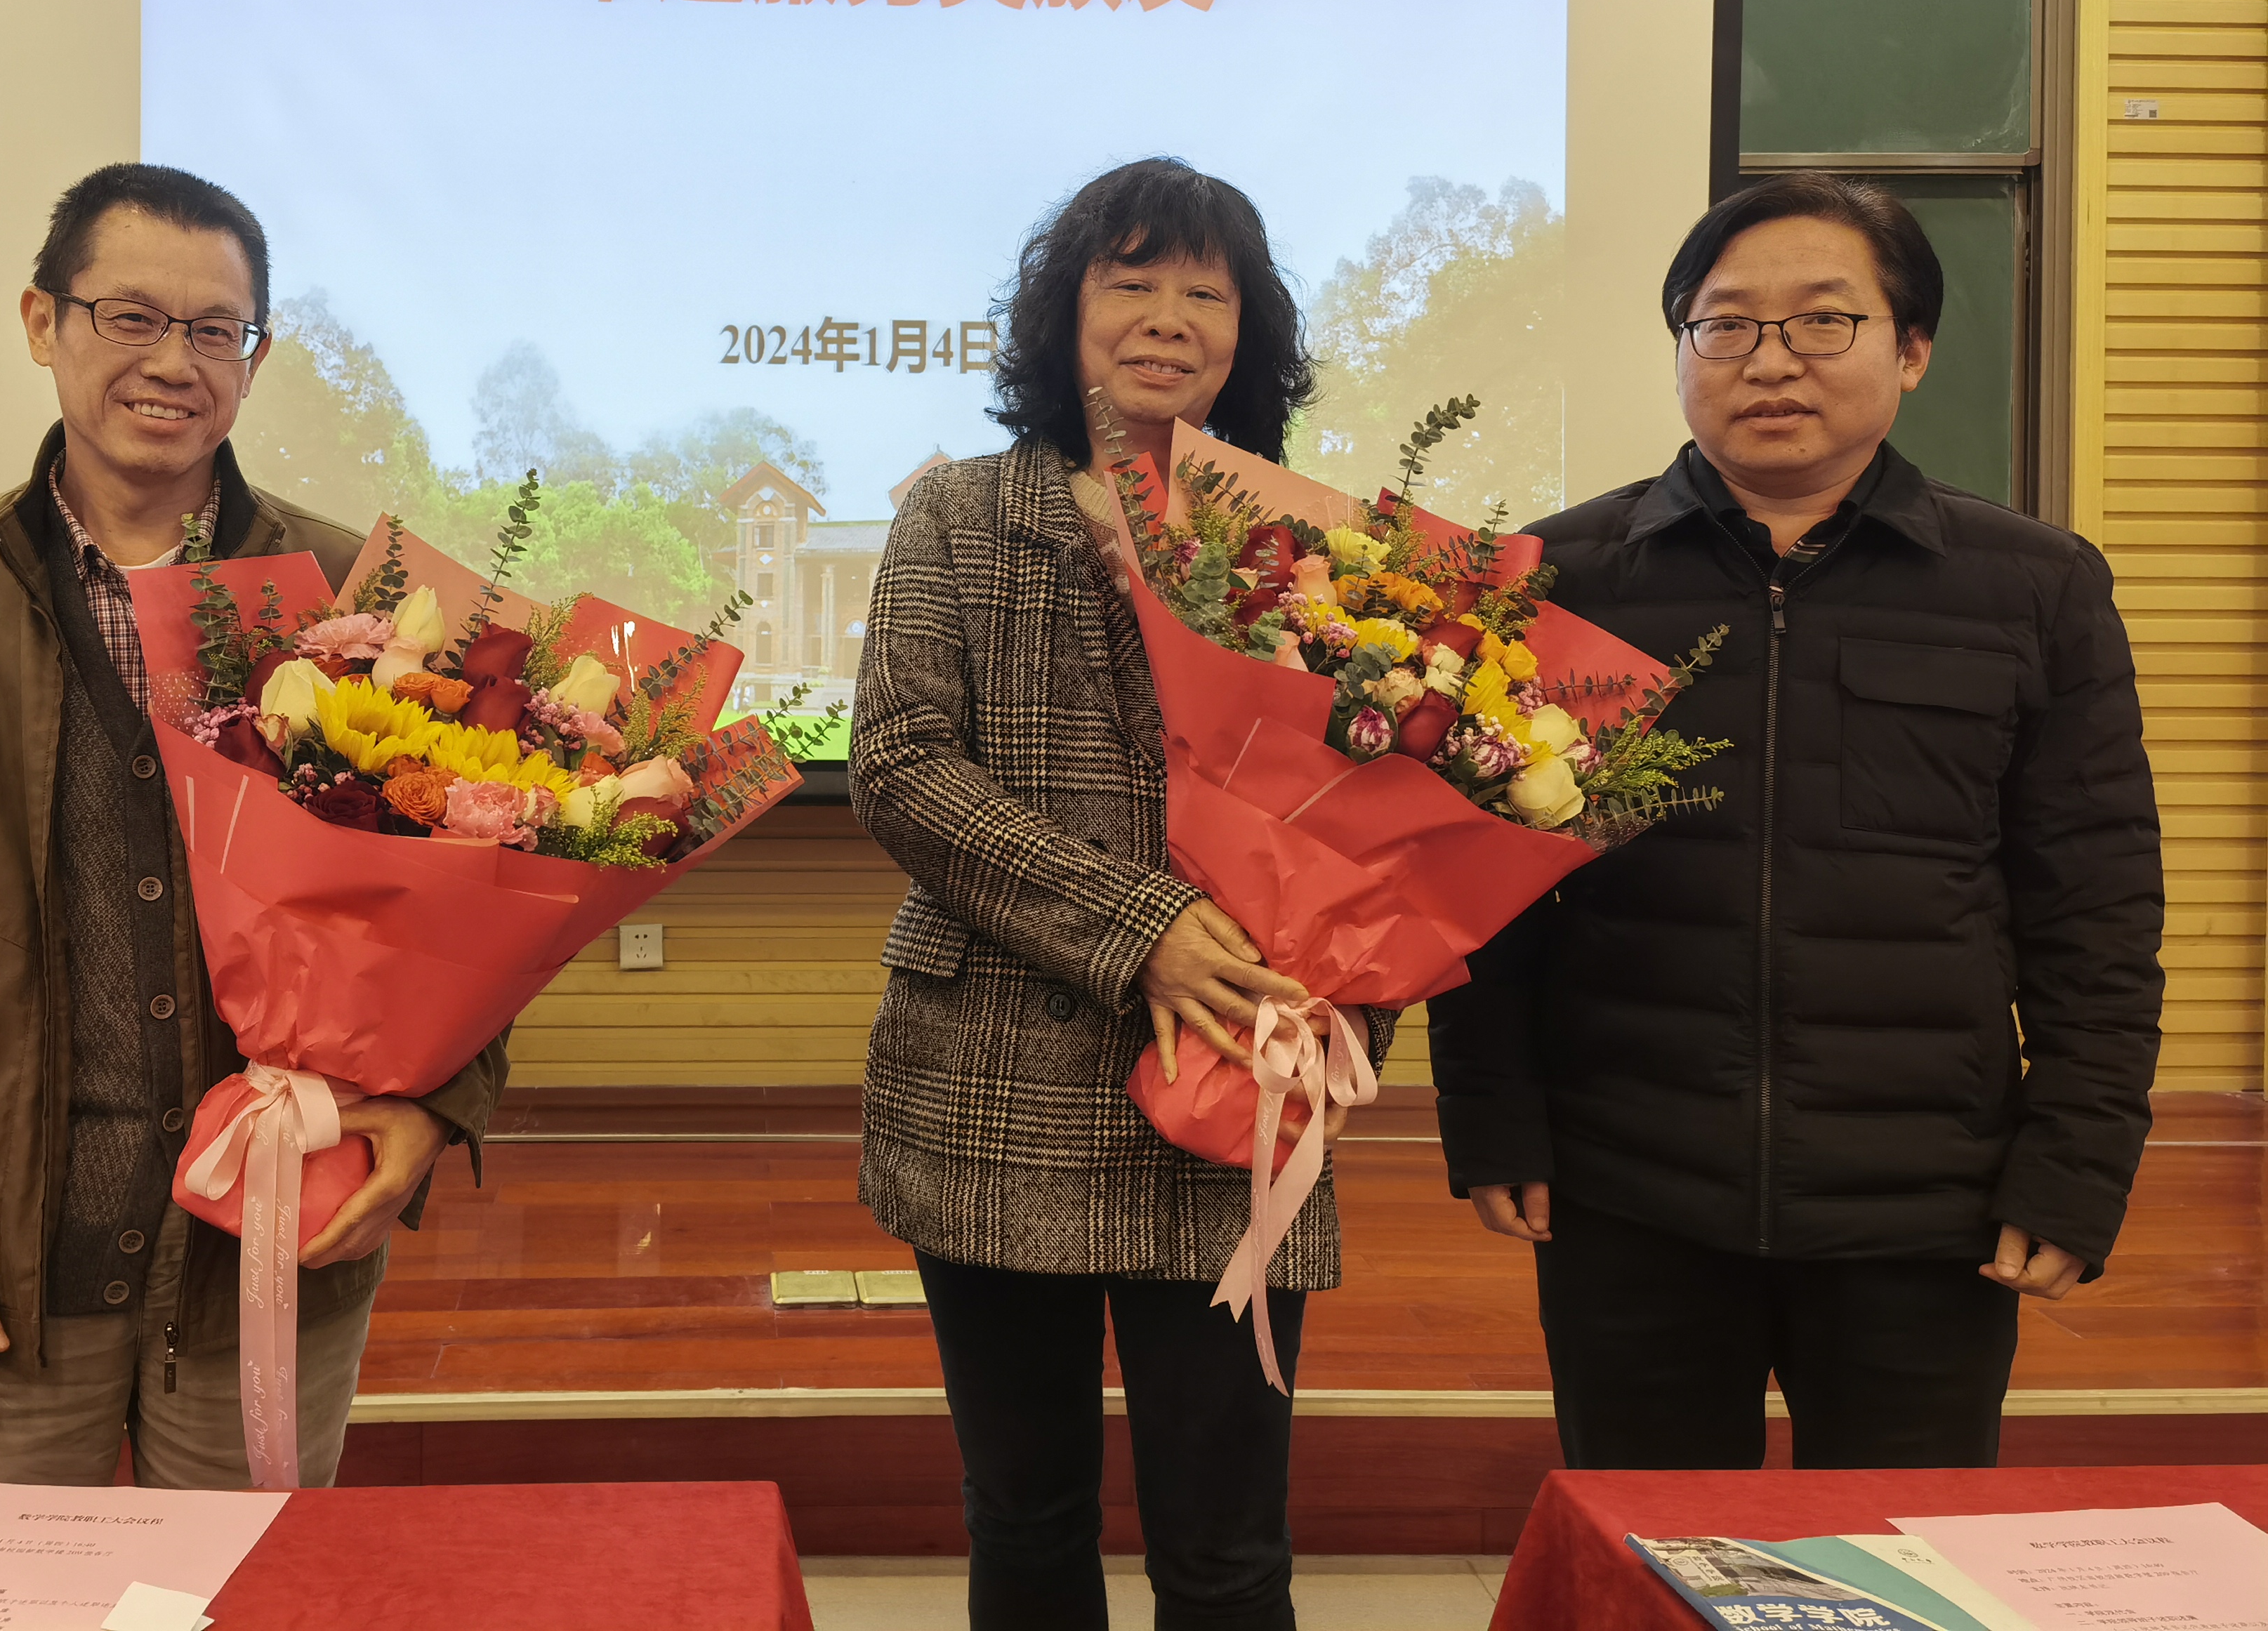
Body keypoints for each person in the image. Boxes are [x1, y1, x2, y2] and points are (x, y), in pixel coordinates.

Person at [1429, 171, 2163, 1470]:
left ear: (1912, 349)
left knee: (1897, 1558)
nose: (1770, 361)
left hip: (1924, 1208)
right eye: (1725, 324)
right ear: (1682, 350)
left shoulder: (2034, 589)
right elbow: (1487, 892)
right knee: (1651, 1551)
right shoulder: (1562, 579)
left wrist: (2077, 1163)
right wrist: (1494, 1115)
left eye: (1824, 320)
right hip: (1629, 1190)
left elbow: (2096, 908)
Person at [0, 163, 506, 1490]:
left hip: (267, 1250)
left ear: (255, 358)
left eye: (215, 330)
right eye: (130, 317)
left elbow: (471, 894)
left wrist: (439, 1108)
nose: (174, 362)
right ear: (42, 322)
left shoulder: (357, 596)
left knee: (252, 1588)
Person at [852, 158, 1396, 1631]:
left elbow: (1388, 815)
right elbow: (898, 765)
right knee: (1024, 1520)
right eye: (1131, 282)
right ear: (1064, 312)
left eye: (1204, 293)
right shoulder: (958, 514)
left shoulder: (1315, 546)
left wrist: (1347, 1004)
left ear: (1247, 333)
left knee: (1227, 1547)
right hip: (994, 1080)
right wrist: (1139, 927)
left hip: (1236, 1078)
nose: (1167, 318)